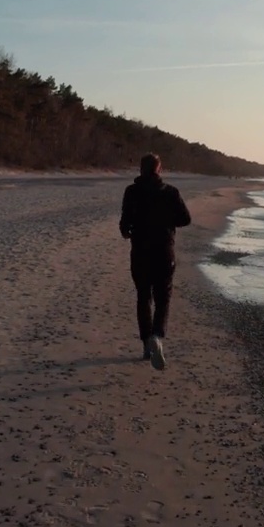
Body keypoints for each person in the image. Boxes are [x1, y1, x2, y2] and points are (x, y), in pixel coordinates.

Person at [119, 153, 191, 370]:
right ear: (159, 169)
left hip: (140, 252)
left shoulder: (131, 192)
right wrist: (168, 221)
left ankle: (145, 345)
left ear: (141, 169)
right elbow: (185, 219)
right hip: (164, 252)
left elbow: (124, 223)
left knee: (143, 296)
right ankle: (157, 337)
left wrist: (129, 231)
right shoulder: (170, 192)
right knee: (163, 297)